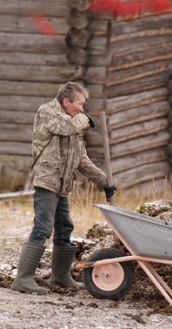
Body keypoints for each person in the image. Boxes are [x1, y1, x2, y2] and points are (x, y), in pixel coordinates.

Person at [12, 81, 117, 294]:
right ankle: (23, 280)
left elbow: (81, 159)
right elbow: (65, 127)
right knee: (43, 227)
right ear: (66, 101)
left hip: (62, 184)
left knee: (65, 228)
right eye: (80, 104)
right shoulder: (47, 112)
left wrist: (102, 180)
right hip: (47, 180)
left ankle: (60, 278)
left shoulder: (72, 122)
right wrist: (83, 119)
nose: (82, 109)